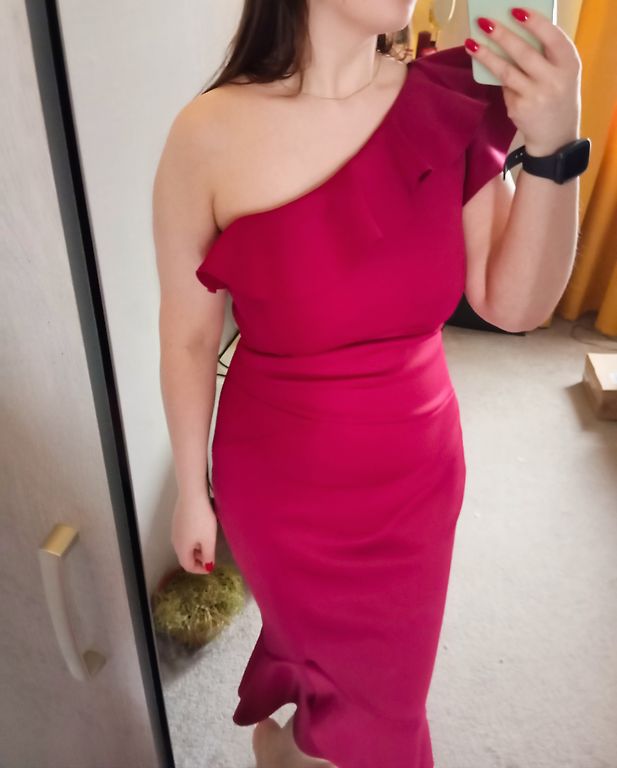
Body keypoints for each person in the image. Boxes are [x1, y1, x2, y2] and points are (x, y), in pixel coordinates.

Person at [153, 2, 583, 766]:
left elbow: (515, 307)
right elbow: (188, 337)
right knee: (331, 678)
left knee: (387, 703)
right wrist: (192, 490)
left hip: (414, 479)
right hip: (280, 489)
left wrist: (553, 148)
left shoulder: (444, 104)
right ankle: (293, 740)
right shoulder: (206, 135)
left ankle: (288, 748)